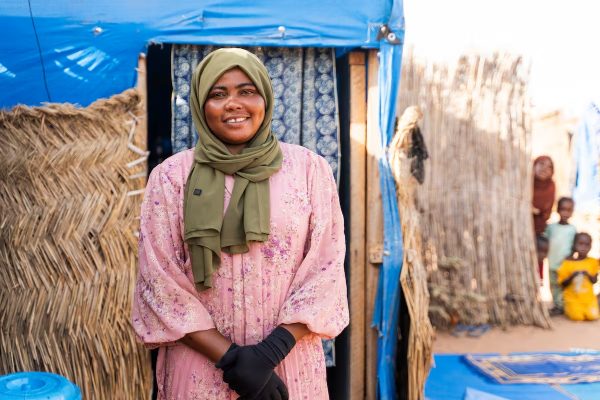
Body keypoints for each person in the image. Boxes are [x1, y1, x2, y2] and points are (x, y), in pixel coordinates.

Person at [131, 48, 349, 399]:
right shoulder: (171, 178)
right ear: (201, 105)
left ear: (265, 97)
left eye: (246, 91)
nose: (233, 103)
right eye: (218, 94)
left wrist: (268, 354)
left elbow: (326, 266)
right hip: (201, 368)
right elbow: (159, 281)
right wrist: (231, 357)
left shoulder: (309, 170)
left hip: (289, 363)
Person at [545, 197, 577, 312]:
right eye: (563, 209)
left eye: (569, 210)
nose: (565, 213)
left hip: (565, 265)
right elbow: (545, 241)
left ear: (572, 212)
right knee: (553, 285)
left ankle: (563, 306)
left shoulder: (572, 229)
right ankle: (556, 305)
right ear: (558, 210)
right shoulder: (551, 227)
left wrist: (572, 257)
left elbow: (574, 246)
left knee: (564, 285)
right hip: (552, 262)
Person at [557, 233, 599, 321]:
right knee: (577, 317)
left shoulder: (593, 262)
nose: (583, 247)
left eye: (587, 244)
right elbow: (562, 284)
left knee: (593, 316)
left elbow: (594, 281)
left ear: (591, 246)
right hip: (573, 299)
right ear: (575, 245)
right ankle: (569, 309)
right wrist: (572, 276)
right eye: (580, 244)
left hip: (588, 300)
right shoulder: (567, 263)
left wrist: (588, 274)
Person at [532, 155, 556, 236]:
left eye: (549, 167)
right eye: (541, 164)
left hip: (537, 229)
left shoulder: (550, 186)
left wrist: (535, 210)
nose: (544, 169)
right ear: (534, 165)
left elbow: (546, 213)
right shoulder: (524, 182)